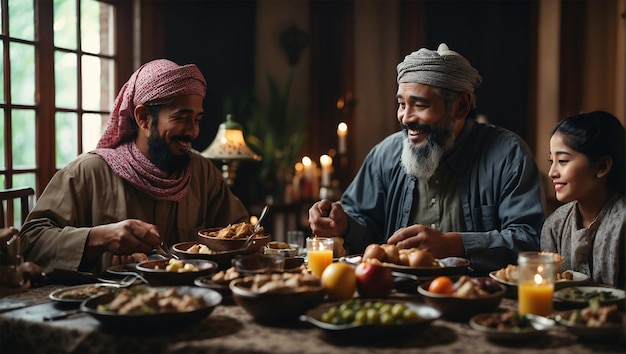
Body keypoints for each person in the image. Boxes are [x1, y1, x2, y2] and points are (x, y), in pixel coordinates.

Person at [309, 43, 545, 274]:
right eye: (401, 104)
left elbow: (530, 239)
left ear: (460, 106)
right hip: (397, 299)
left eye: (420, 105)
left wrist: (454, 245)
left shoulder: (507, 155)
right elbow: (365, 222)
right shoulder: (385, 154)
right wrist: (343, 224)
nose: (405, 118)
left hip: (479, 301)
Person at [19, 59, 249, 273]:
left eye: (197, 119)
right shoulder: (89, 172)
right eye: (181, 117)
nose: (193, 131)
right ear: (143, 118)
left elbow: (243, 235)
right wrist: (101, 238)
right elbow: (30, 242)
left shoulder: (202, 172)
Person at [541, 111, 625, 287]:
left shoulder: (622, 223)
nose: (552, 173)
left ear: (602, 166)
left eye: (563, 160)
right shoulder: (555, 225)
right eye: (551, 161)